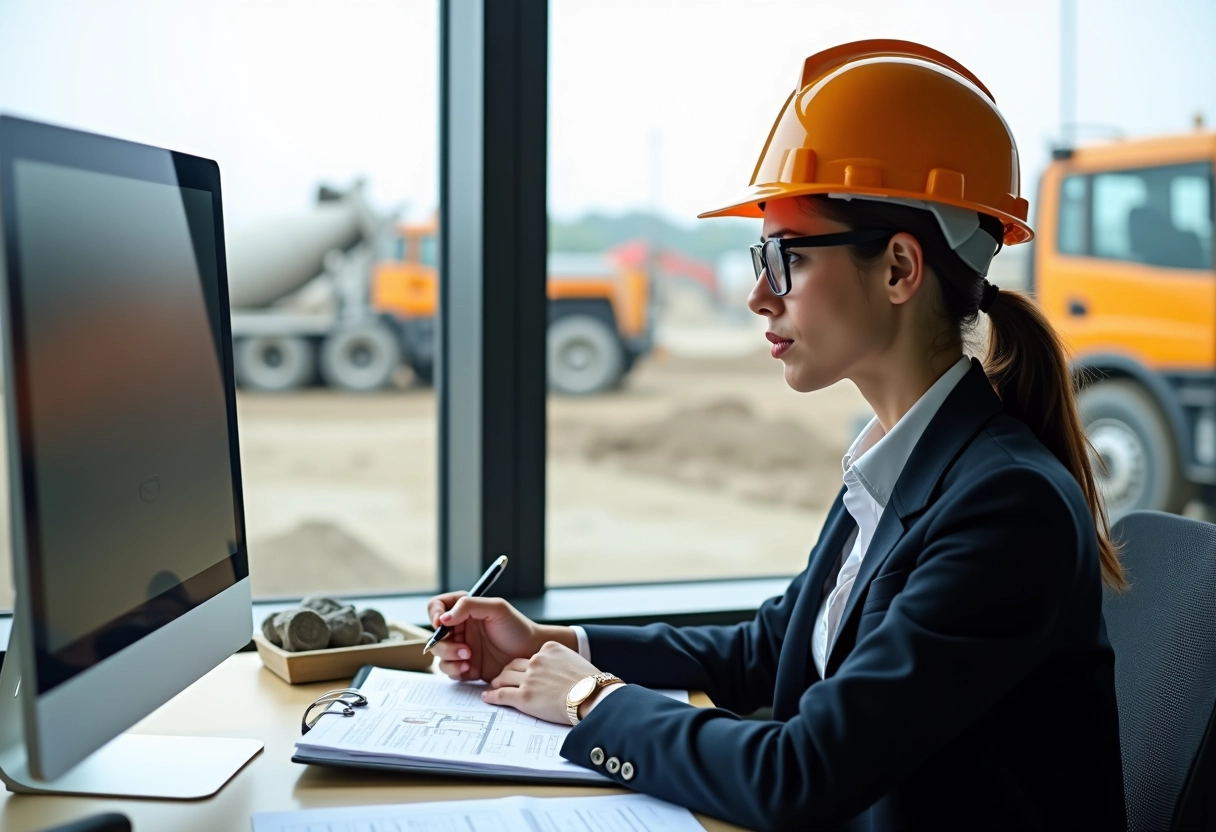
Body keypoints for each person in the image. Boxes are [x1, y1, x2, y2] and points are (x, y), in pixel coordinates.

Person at [426, 40, 1127, 831]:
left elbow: (802, 774)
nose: (760, 295)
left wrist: (590, 700)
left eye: (787, 257)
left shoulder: (1007, 506)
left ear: (899, 269)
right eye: (762, 257)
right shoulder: (898, 462)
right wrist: (553, 644)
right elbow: (769, 646)